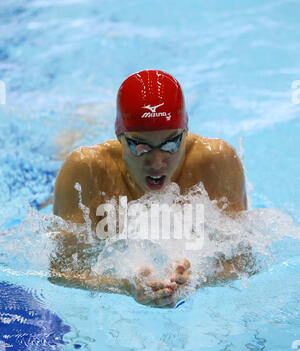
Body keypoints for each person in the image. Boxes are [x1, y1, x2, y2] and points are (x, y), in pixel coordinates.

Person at [51, 69, 248, 308]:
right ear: (119, 137)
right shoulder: (86, 171)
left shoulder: (216, 161)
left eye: (171, 144)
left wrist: (199, 277)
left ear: (186, 134)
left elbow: (245, 261)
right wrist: (122, 285)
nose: (156, 163)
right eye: (140, 147)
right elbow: (60, 272)